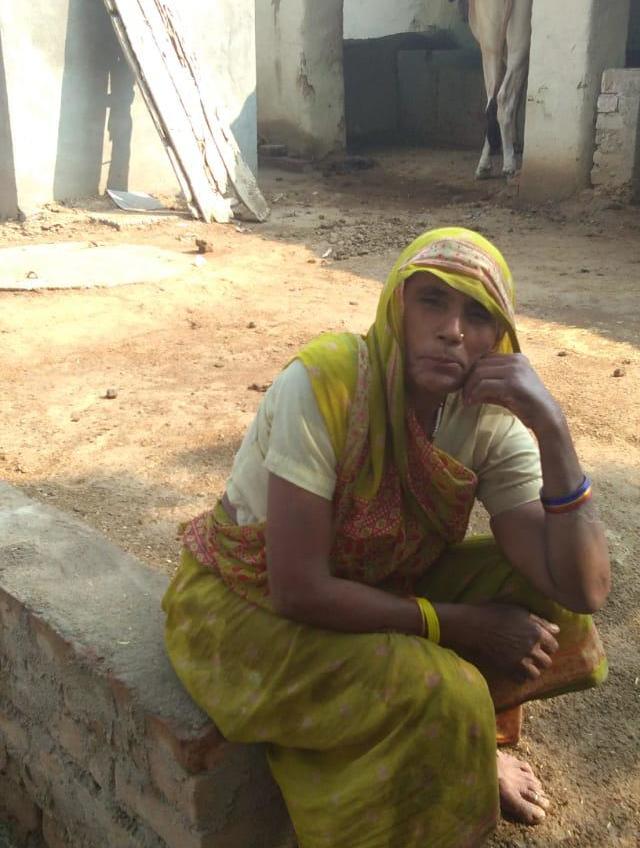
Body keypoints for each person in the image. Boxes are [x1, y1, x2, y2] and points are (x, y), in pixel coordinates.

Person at [162, 227, 610, 848]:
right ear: (397, 307)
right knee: (443, 688)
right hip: (248, 606)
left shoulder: (487, 419)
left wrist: (553, 427)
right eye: (432, 301)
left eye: (478, 315)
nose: (452, 330)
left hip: (378, 582)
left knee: (548, 601)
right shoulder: (327, 384)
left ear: (498, 338)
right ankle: (441, 754)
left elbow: (583, 587)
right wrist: (459, 625)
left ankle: (460, 743)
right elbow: (297, 589)